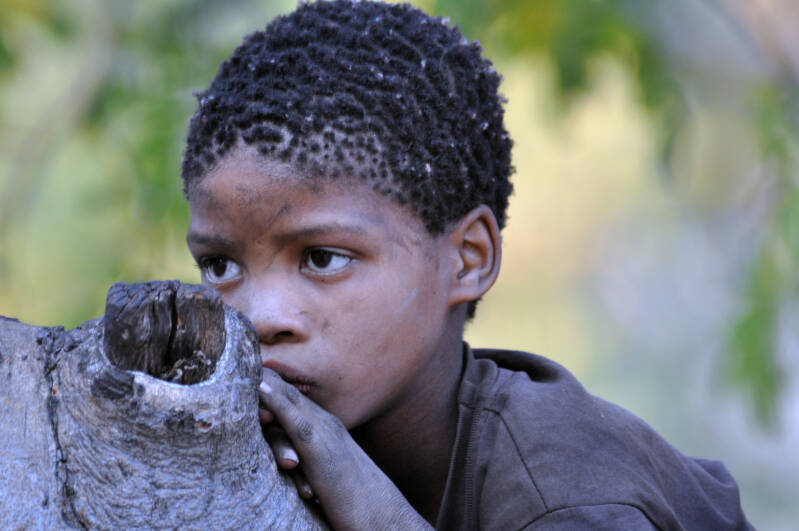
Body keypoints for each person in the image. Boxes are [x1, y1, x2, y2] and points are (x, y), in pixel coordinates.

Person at [181, 1, 752, 528]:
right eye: (220, 266)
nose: (259, 318)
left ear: (467, 258)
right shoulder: (236, 460)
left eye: (322, 258)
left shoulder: (565, 495)